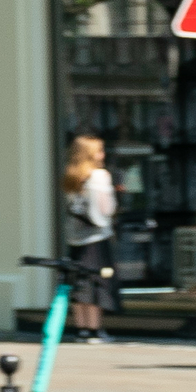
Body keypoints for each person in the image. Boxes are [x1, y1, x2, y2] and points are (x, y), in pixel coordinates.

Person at [61, 133, 118, 344]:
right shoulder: (100, 176)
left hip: (75, 239)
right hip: (96, 238)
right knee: (97, 283)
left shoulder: (71, 176)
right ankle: (95, 330)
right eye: (99, 150)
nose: (102, 154)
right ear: (91, 154)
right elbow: (106, 209)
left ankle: (82, 329)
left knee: (79, 282)